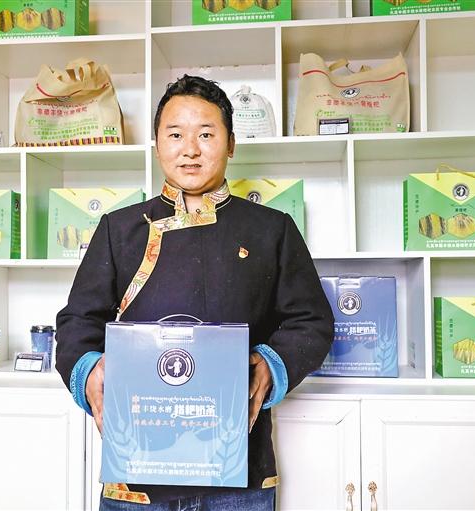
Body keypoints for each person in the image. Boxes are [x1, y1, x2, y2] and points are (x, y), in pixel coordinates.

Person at [56, 75, 334, 510]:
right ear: (157, 145)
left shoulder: (272, 229)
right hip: (137, 472)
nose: (190, 149)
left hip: (240, 472)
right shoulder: (119, 228)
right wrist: (89, 372)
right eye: (175, 135)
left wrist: (270, 366)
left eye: (206, 134)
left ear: (231, 144)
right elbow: (78, 322)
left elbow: (311, 322)